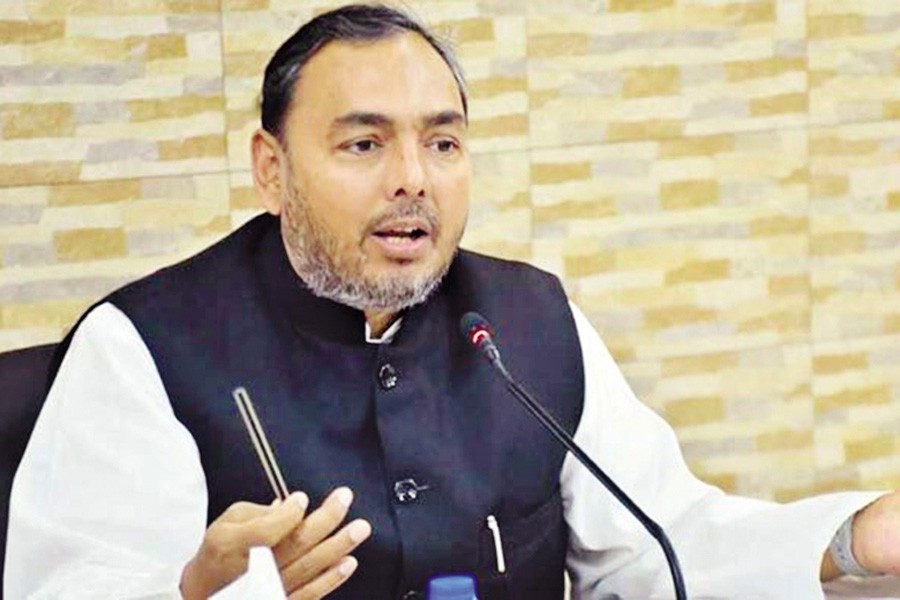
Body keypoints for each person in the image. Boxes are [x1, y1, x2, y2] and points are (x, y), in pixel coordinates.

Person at [5, 3, 900, 599]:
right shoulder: (145, 346)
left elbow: (658, 545)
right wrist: (202, 590)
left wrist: (855, 538)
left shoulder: (527, 321)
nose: (413, 180)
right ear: (271, 170)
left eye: (442, 144)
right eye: (364, 145)